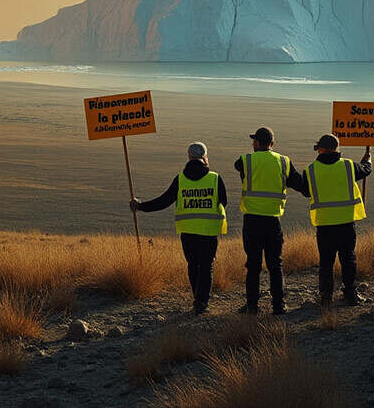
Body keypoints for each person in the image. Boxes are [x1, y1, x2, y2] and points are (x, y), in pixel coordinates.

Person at [131, 142, 227, 315]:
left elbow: (164, 201)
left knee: (193, 265)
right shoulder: (215, 178)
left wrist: (140, 206)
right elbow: (224, 201)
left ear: (189, 157)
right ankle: (201, 303)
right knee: (206, 267)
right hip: (208, 231)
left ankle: (197, 299)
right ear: (205, 157)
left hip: (187, 231)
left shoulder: (180, 179)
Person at [233, 127, 309, 315]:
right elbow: (301, 186)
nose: (252, 144)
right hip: (273, 221)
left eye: (254, 141)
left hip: (251, 220)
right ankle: (279, 306)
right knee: (276, 264)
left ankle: (252, 306)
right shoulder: (284, 162)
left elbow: (238, 167)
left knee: (253, 265)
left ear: (257, 143)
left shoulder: (245, 160)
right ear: (272, 144)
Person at [306, 134, 372, 307]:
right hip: (346, 223)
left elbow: (305, 190)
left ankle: (326, 298)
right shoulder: (349, 166)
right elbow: (366, 170)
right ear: (336, 148)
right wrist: (368, 160)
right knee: (348, 259)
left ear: (321, 149)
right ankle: (350, 294)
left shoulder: (312, 170)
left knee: (326, 262)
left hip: (325, 224)